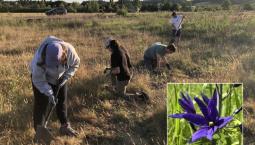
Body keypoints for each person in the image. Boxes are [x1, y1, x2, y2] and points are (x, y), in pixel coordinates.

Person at [30, 36, 80, 136]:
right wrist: (49, 93)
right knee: (42, 104)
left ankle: (64, 126)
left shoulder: (70, 51)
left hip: (61, 78)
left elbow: (75, 64)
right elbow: (39, 80)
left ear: (63, 55)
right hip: (42, 80)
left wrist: (65, 78)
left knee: (62, 101)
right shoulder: (38, 61)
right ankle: (40, 132)